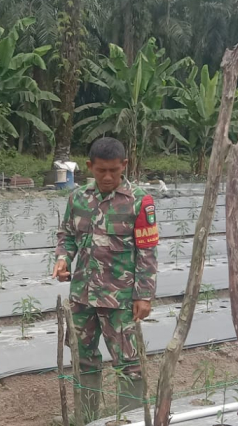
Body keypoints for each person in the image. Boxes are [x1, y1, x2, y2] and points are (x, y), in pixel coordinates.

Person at [52, 137, 158, 422]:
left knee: (129, 364)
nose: (108, 177)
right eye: (101, 171)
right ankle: (88, 419)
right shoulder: (78, 198)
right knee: (83, 361)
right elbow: (68, 236)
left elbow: (147, 251)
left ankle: (129, 420)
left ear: (124, 165)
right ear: (90, 167)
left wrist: (144, 295)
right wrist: (63, 258)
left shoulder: (139, 201)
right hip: (82, 298)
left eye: (114, 170)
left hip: (120, 300)